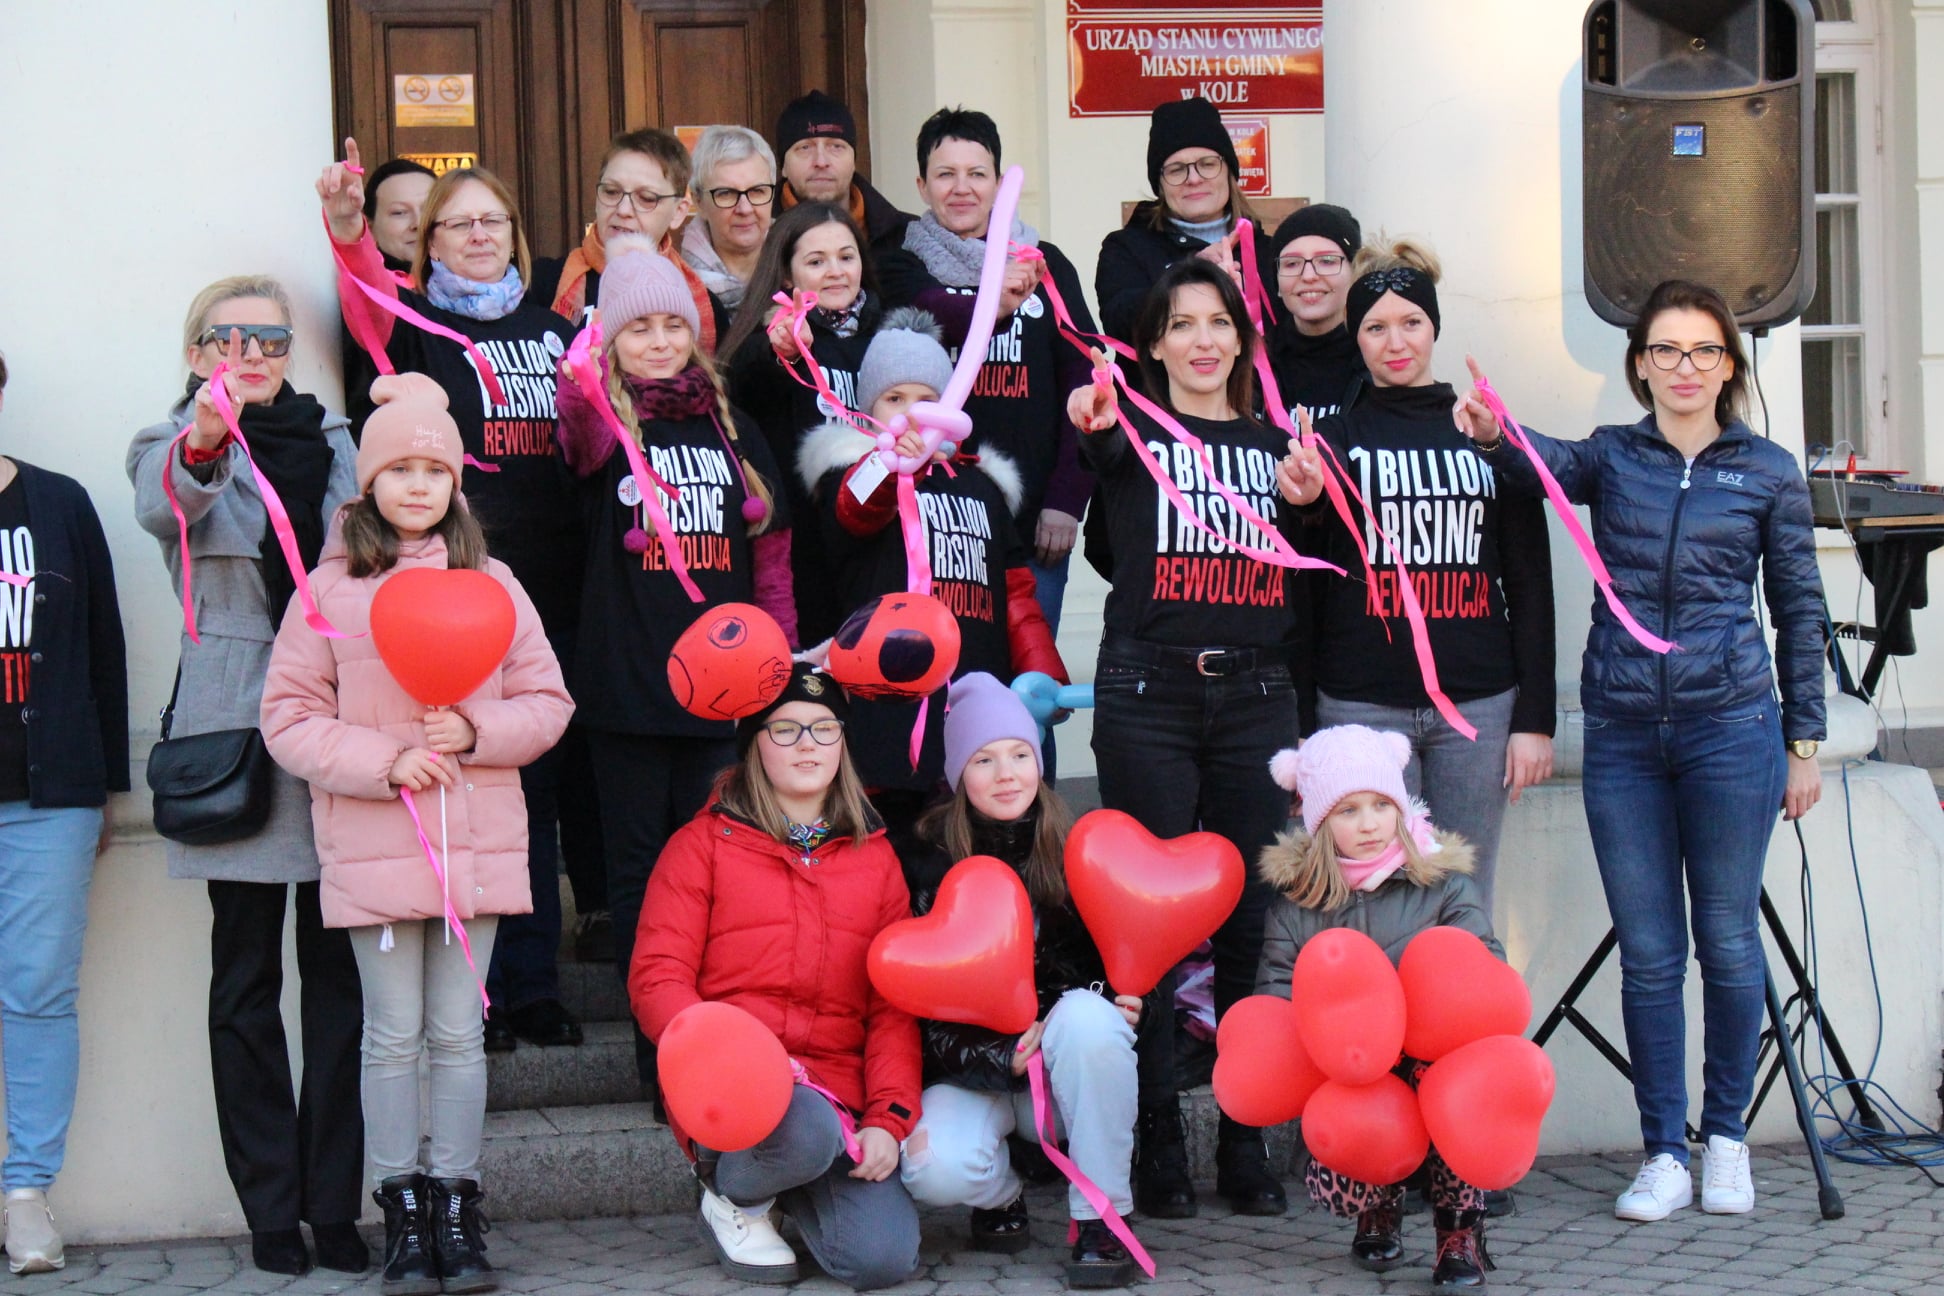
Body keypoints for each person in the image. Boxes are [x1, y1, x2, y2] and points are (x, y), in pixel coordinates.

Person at [1454, 278, 1826, 1222]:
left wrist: (1805, 741)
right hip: (1623, 734)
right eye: (1665, 351)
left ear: (1730, 364)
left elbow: (1798, 608)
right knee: (1653, 955)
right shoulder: (1616, 458)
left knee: (1730, 943)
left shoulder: (1769, 470)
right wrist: (1493, 430)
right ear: (1640, 366)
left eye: (1703, 351)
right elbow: (1541, 464)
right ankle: (1665, 1150)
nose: (1685, 368)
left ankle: (1728, 1140)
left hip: (1732, 731)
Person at [261, 376, 574, 1296]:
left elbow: (547, 700)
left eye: (433, 468)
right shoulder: (326, 592)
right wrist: (384, 759)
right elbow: (288, 718)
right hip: (374, 843)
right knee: (391, 1035)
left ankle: (457, 1203)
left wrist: (477, 734)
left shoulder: (494, 583)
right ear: (368, 482)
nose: (416, 484)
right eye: (398, 466)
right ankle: (400, 1205)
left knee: (458, 1034)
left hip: (473, 841)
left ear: (454, 483)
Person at [1065, 258, 1325, 1218]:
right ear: (1158, 343)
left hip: (1257, 695)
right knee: (1150, 931)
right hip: (1148, 694)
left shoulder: (1277, 447)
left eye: (1221, 323)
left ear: (1242, 342)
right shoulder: (1124, 430)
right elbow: (1101, 516)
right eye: (1184, 324)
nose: (1205, 340)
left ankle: (1247, 1140)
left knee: (1254, 925)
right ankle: (1160, 1143)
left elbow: (1313, 564)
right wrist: (1093, 437)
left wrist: (1305, 500)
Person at [320, 145, 591, 1051]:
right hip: (440, 600)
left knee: (532, 798)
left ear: (515, 234)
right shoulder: (415, 320)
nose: (479, 236)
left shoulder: (555, 328)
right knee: (459, 797)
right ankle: (479, 997)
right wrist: (352, 228)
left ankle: (534, 988)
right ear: (427, 242)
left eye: (493, 222)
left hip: (540, 596)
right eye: (457, 223)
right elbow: (360, 292)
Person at [125, 278, 368, 1278]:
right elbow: (160, 505)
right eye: (228, 337)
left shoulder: (338, 439)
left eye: (269, 336)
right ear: (197, 353)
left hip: (340, 722)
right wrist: (205, 439)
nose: (251, 349)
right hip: (236, 729)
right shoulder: (172, 442)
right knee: (245, 983)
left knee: (341, 985)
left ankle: (335, 1202)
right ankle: (270, 1208)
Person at [554, 237, 796, 1104]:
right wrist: (584, 366)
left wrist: (778, 657)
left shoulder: (725, 421)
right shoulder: (600, 419)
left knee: (711, 872)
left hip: (718, 691)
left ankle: (708, 1033)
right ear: (611, 340)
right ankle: (655, 1050)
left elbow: (770, 546)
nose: (658, 341)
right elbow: (575, 416)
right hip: (624, 686)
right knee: (637, 872)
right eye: (638, 328)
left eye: (672, 325)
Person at [631, 664, 922, 1291]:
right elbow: (659, 978)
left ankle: (788, 1188)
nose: (808, 744)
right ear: (754, 743)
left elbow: (892, 1007)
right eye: (785, 729)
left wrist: (887, 1118)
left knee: (881, 1259)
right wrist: (716, 1060)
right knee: (801, 1127)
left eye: (824, 728)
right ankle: (732, 1196)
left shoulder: (877, 859)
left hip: (837, 1097)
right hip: (735, 1093)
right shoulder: (701, 845)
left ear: (843, 742)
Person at [1307, 237, 1555, 905]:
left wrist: (1536, 718)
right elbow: (1308, 586)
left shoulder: (1485, 431)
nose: (1396, 342)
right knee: (1374, 901)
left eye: (1411, 322)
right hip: (1360, 703)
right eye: (1375, 326)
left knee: (1464, 897)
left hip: (1477, 706)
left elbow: (1530, 582)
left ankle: (1474, 1012)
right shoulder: (1333, 443)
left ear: (1435, 327)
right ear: (1354, 337)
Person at [898, 674, 1141, 1289]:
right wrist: (997, 1055)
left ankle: (1102, 1218)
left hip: (1064, 1073)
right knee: (933, 1169)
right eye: (984, 759)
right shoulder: (923, 867)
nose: (1007, 773)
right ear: (958, 775)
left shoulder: (1079, 848)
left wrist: (1133, 1006)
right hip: (972, 1072)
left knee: (1091, 1021)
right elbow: (910, 1008)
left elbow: (1134, 966)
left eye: (1020, 754)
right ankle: (1002, 1194)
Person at [796, 308, 1064, 854]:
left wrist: (1040, 670)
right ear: (868, 406)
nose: (911, 412)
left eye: (925, 398)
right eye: (894, 399)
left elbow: (1015, 592)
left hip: (971, 701)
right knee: (893, 848)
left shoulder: (981, 484)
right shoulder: (852, 471)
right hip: (887, 713)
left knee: (975, 848)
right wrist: (892, 463)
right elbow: (856, 511)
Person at [1256, 725, 1500, 1290]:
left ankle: (1457, 1230)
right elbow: (1275, 992)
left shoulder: (1443, 885)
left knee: (1454, 1084)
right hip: (1355, 1065)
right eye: (1347, 811)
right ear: (1318, 823)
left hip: (1430, 1050)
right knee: (1359, 1094)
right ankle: (1377, 1203)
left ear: (1400, 807)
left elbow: (1484, 971)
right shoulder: (1298, 905)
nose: (1368, 824)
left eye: (1380, 806)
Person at [882, 107, 1097, 663]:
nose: (961, 188)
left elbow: (1087, 377)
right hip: (934, 524)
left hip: (1034, 529)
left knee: (1029, 695)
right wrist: (993, 298)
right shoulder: (900, 264)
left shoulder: (1046, 266)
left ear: (999, 183)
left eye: (977, 173)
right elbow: (933, 310)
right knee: (937, 687)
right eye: (945, 174)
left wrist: (1067, 502)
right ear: (921, 186)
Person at [0, 352, 128, 1277]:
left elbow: (104, 646)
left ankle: (25, 1194)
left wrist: (106, 787)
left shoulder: (59, 504)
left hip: (48, 799)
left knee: (37, 993)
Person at [725, 201, 883, 645]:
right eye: (816, 261)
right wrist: (785, 351)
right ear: (787, 276)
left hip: (874, 548)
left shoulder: (888, 337)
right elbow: (745, 380)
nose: (835, 271)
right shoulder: (771, 341)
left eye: (846, 256)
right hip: (803, 555)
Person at [1093, 96, 1275, 348]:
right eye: (1177, 169)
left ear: (1230, 172)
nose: (1193, 179)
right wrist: (1190, 272)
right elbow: (1120, 324)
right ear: (1160, 185)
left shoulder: (1269, 251)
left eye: (1208, 164)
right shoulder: (1126, 248)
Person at [534, 127, 730, 350]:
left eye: (646, 198)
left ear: (678, 212)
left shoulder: (703, 304)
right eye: (611, 192)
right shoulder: (542, 284)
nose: (623, 209)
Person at [343, 158, 439, 435]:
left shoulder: (474, 289)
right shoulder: (363, 293)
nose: (418, 224)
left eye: (429, 210)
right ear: (369, 227)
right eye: (399, 213)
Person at [773, 89, 913, 256]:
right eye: (805, 148)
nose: (821, 162)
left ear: (854, 161)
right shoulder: (758, 237)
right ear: (783, 167)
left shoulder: (908, 237)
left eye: (836, 147)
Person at [1265, 203, 1365, 423]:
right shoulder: (1254, 364)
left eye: (1327, 261)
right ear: (1277, 282)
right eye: (1292, 263)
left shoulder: (1378, 358)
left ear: (1354, 273)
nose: (1308, 275)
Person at [683, 125, 778, 313]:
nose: (745, 208)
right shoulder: (674, 287)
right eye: (726, 193)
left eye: (757, 191)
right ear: (699, 202)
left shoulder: (802, 270)